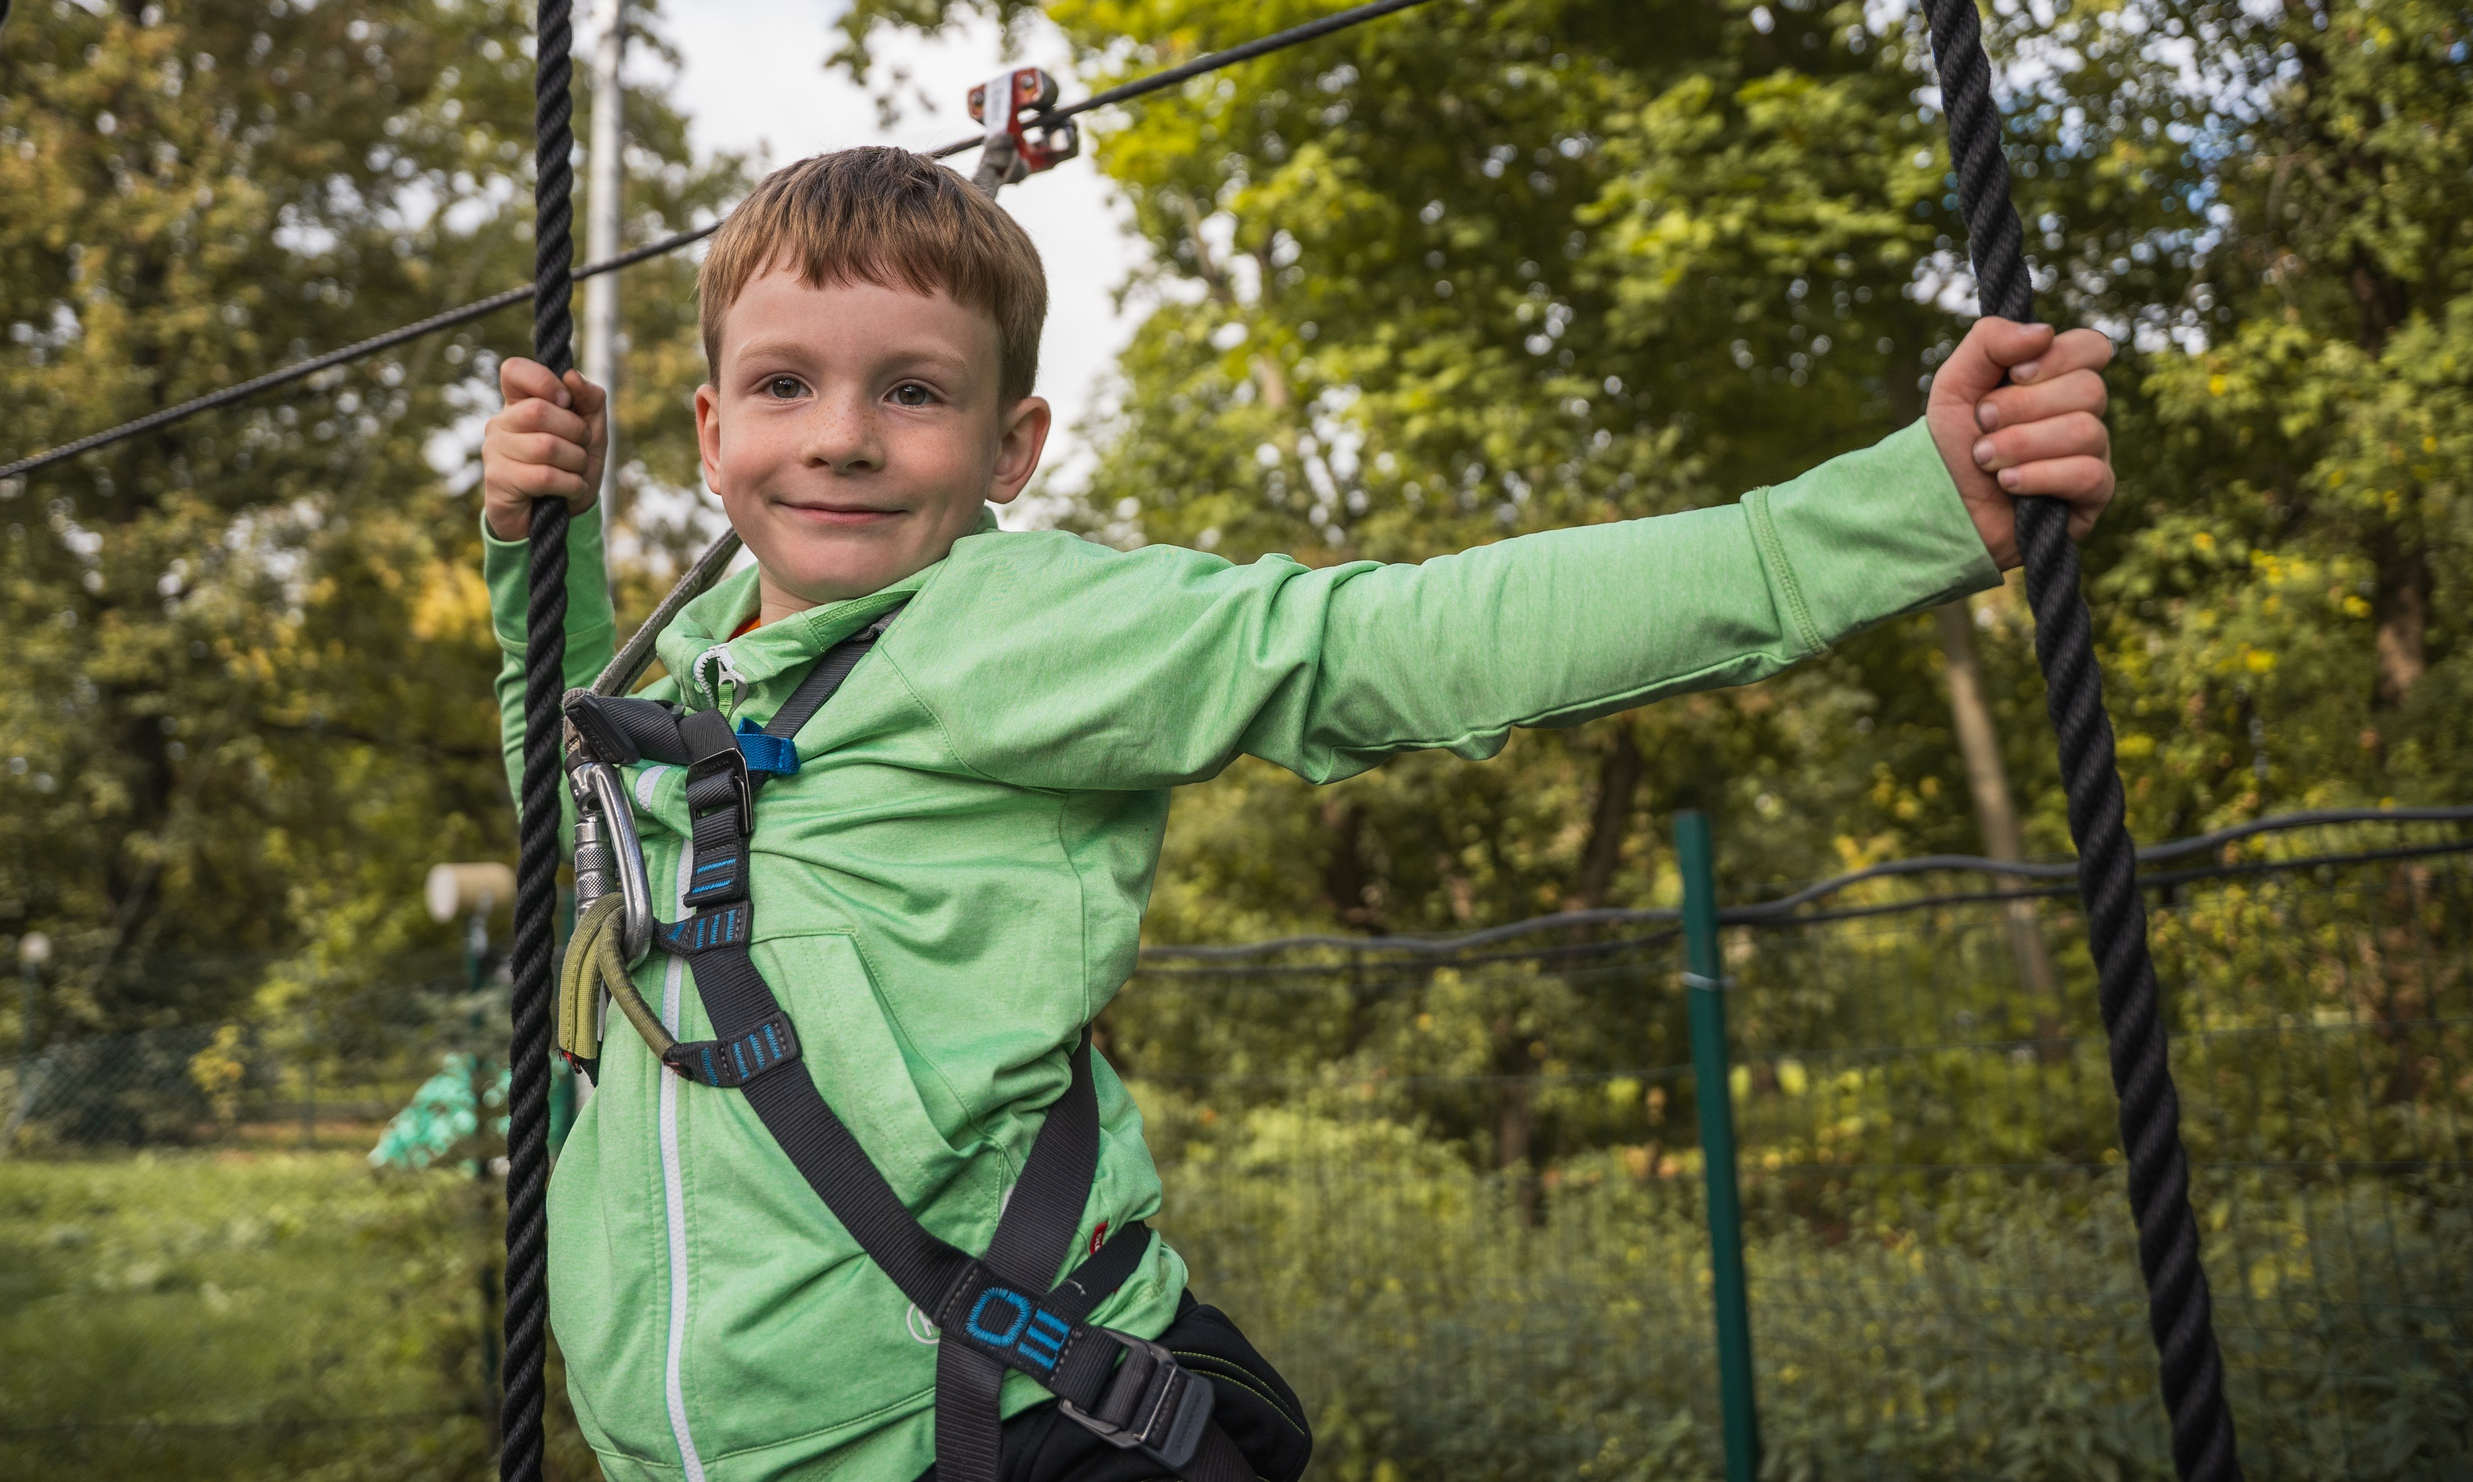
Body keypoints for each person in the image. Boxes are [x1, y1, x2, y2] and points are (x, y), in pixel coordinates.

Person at [478, 146, 2114, 1482]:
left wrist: (1888, 513)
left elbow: (1387, 642)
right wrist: (531, 565)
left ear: (1009, 448)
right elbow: (572, 835)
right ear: (710, 433)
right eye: (783, 384)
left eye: (913, 392)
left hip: (1009, 1428)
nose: (840, 436)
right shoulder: (676, 683)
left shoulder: (1025, 630)